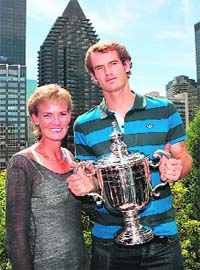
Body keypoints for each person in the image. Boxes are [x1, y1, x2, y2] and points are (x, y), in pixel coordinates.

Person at [67, 41, 193, 270]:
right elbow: (93, 177)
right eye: (100, 68)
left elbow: (183, 157)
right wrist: (87, 185)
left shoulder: (165, 110)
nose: (108, 72)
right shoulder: (84, 125)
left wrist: (177, 168)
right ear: (93, 77)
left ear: (126, 65)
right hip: (108, 242)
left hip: (162, 237)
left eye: (113, 63)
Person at [6, 84, 90, 270]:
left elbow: (82, 210)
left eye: (62, 114)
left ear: (69, 116)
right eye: (47, 115)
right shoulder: (23, 163)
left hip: (80, 262)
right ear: (35, 119)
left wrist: (93, 184)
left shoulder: (70, 157)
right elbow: (15, 235)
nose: (56, 122)